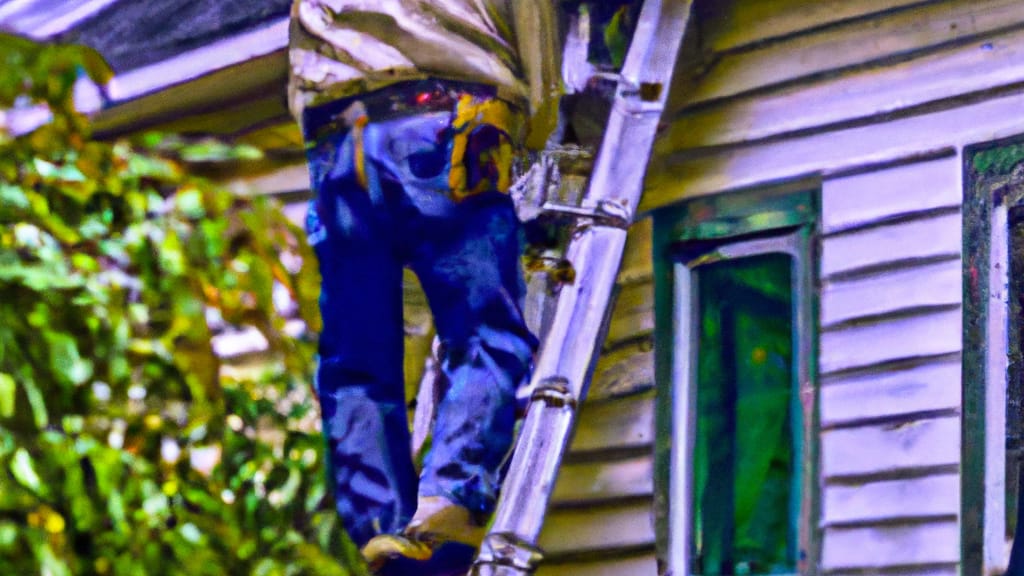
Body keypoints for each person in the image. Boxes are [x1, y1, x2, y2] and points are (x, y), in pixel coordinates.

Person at [287, 2, 561, 574]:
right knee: (484, 330)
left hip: (337, 131)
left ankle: (379, 528)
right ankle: (450, 499)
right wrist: (535, 118)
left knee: (355, 358)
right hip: (450, 110)